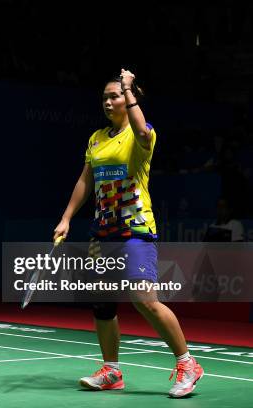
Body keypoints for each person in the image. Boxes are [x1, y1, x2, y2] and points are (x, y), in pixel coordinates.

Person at [53, 69, 204, 398]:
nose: (109, 101)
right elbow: (85, 180)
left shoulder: (142, 135)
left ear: (131, 99)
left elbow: (141, 129)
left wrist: (129, 87)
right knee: (103, 304)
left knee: (144, 299)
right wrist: (66, 218)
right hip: (103, 231)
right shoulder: (96, 138)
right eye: (105, 97)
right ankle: (111, 370)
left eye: (116, 95)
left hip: (135, 230)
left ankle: (188, 363)